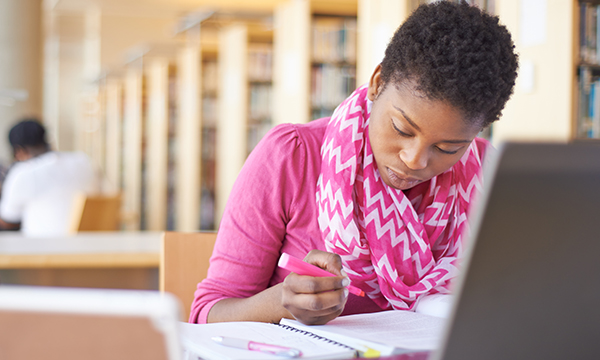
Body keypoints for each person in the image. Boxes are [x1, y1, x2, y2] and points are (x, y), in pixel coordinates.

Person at [190, 1, 518, 325]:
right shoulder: (293, 156)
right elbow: (207, 313)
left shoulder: (490, 176)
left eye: (448, 148)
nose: (414, 160)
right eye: (401, 129)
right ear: (377, 82)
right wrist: (282, 303)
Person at [0, 119, 99, 236]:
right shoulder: (84, 161)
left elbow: (7, 220)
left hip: (41, 250)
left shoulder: (24, 173)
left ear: (19, 151)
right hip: (90, 246)